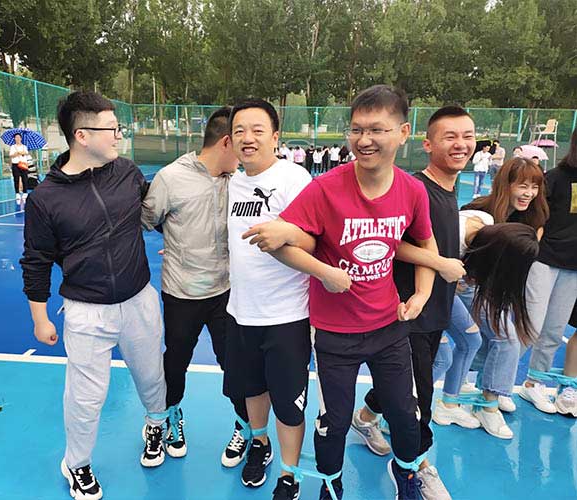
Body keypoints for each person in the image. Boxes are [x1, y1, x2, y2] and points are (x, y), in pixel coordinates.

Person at [244, 85, 437, 500]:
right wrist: (324, 273)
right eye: (357, 129)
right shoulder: (326, 188)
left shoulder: (412, 190)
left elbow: (424, 243)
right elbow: (279, 243)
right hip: (335, 333)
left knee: (405, 415)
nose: (364, 140)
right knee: (332, 423)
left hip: (389, 326)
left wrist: (421, 294)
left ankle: (406, 473)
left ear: (403, 133)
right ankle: (331, 484)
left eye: (377, 130)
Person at [19, 91, 168, 500]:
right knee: (85, 398)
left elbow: (154, 216)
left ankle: (157, 424)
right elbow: (35, 261)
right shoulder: (45, 199)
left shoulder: (127, 172)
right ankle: (77, 463)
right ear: (81, 135)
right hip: (86, 312)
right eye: (111, 128)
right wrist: (40, 318)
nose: (119, 135)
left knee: (152, 377)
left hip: (139, 300)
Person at [352, 105, 475, 500]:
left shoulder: (449, 191)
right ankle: (414, 467)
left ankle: (366, 416)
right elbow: (393, 243)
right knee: (419, 398)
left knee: (404, 387)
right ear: (427, 144)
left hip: (436, 309)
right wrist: (440, 264)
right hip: (408, 314)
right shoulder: (414, 189)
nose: (460, 144)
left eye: (467, 136)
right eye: (449, 137)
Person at [141, 107, 250, 466]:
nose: (245, 152)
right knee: (175, 364)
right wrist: (177, 238)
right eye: (241, 144)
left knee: (235, 365)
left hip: (226, 292)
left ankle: (245, 426)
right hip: (181, 293)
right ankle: (169, 418)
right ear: (226, 142)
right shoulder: (171, 178)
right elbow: (146, 220)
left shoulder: (240, 181)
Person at [227, 99, 314, 500]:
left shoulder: (295, 179)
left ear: (275, 137)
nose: (248, 138)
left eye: (257, 130)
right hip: (241, 312)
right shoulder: (232, 182)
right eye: (239, 130)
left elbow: (317, 240)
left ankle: (289, 473)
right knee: (252, 390)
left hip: (287, 316)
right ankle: (259, 444)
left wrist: (287, 233)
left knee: (289, 405)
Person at [456, 157, 548, 438]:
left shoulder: (533, 218)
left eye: (534, 187)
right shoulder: (479, 212)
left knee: (501, 338)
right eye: (522, 185)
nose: (528, 193)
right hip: (468, 283)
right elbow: (455, 247)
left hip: (498, 286)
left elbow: (520, 261)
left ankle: (488, 387)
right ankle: (488, 404)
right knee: (505, 337)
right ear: (505, 184)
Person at [521, 128, 577, 417]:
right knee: (530, 324)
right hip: (545, 260)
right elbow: (535, 216)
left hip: (573, 268)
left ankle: (535, 382)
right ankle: (492, 382)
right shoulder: (555, 178)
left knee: (554, 329)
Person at [9, 133, 30, 203]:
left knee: (25, 178)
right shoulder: (12, 147)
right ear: (14, 139)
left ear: (21, 138)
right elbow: (11, 155)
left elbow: (26, 153)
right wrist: (16, 153)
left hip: (23, 164)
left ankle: (25, 192)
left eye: (19, 137)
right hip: (15, 164)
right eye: (16, 137)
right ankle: (17, 193)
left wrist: (22, 153)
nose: (17, 139)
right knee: (16, 179)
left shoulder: (24, 146)